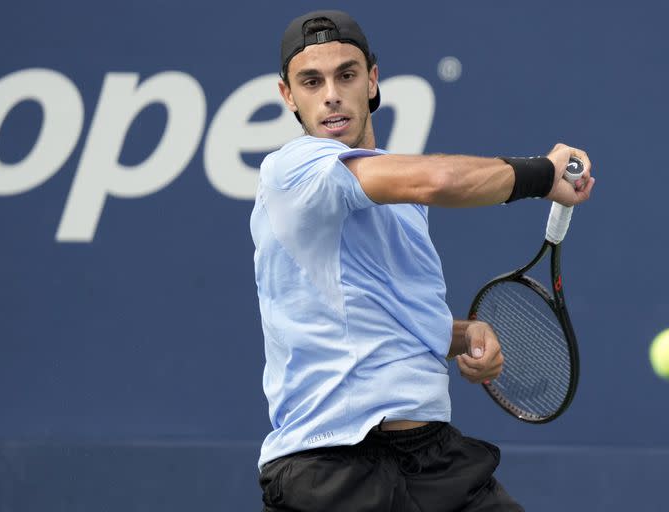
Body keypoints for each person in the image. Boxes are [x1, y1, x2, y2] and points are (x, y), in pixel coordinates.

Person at [250, 9, 594, 512]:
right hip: (329, 468)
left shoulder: (400, 204)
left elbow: (377, 316)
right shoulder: (293, 168)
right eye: (311, 81)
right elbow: (437, 181)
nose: (330, 95)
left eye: (346, 75)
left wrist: (460, 335)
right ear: (288, 96)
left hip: (432, 459)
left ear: (372, 80)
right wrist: (543, 175)